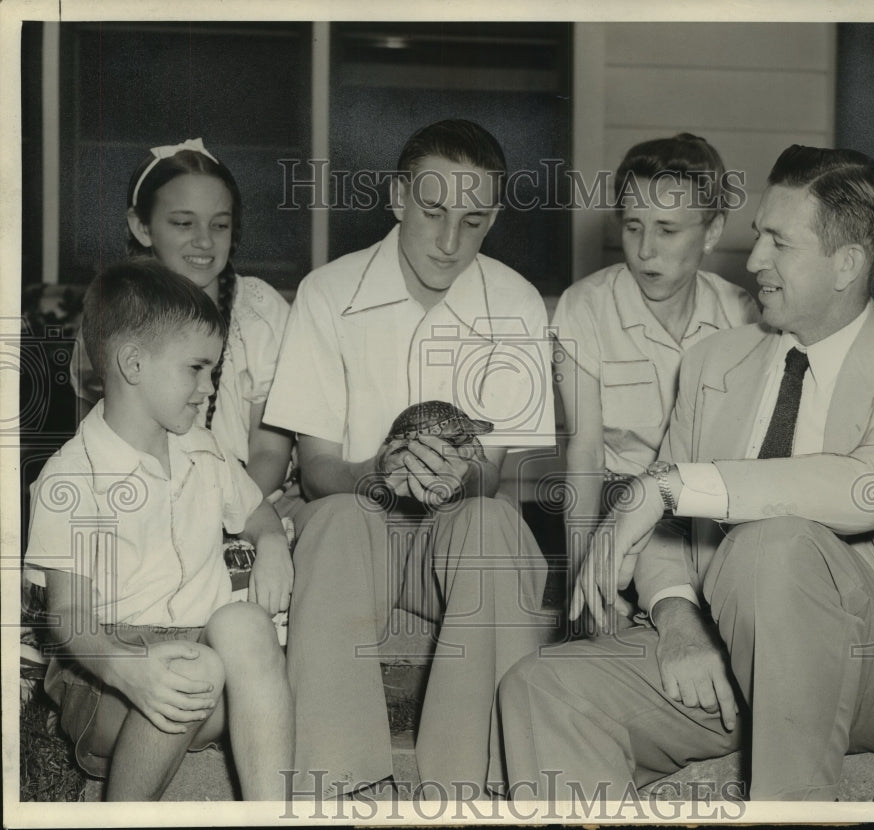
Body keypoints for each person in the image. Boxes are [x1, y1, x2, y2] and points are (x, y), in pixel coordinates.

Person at [499, 145, 874, 801]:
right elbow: (668, 538)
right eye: (757, 239)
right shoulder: (715, 360)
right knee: (543, 688)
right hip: (724, 649)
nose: (753, 263)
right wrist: (678, 616)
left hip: (869, 670)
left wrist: (668, 486)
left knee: (772, 543)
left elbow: (869, 489)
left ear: (847, 263)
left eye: (779, 243)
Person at [264, 119, 556, 798]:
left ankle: (467, 789)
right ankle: (345, 786)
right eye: (433, 212)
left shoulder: (513, 304)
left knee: (493, 523)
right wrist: (377, 476)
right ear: (397, 199)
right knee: (337, 518)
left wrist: (461, 478)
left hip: (448, 553)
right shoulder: (328, 294)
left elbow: (497, 474)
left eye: (474, 220)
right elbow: (316, 468)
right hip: (353, 543)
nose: (451, 241)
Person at [24, 260, 294, 801]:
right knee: (199, 665)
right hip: (110, 681)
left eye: (214, 371)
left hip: (201, 672)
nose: (208, 388)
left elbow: (257, 512)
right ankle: (124, 811)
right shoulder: (74, 475)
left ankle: (271, 810)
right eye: (196, 369)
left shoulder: (204, 449)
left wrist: (271, 546)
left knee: (244, 625)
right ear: (133, 363)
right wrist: (131, 671)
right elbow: (71, 616)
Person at [551, 134, 758, 585]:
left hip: (708, 502)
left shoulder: (742, 313)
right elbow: (584, 453)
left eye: (667, 229)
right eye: (632, 226)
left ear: (713, 231)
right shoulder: (584, 307)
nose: (645, 249)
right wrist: (583, 572)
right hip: (617, 498)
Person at [70, 138, 294, 503]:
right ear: (142, 227)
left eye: (219, 226)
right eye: (183, 223)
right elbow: (90, 434)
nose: (204, 241)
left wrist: (214, 517)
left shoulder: (261, 313)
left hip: (250, 501)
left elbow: (270, 452)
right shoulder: (114, 313)